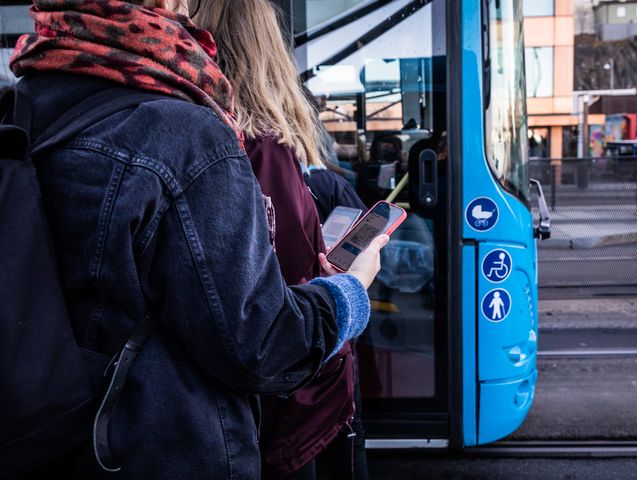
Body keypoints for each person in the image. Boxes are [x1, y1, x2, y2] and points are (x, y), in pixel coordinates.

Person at [9, 0, 387, 478]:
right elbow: (263, 346)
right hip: (160, 451)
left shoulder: (21, 108)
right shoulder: (186, 136)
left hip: (45, 441)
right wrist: (349, 294)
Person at [192, 1, 367, 478]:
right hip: (297, 410)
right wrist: (353, 284)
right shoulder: (263, 146)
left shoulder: (193, 134)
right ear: (267, 53)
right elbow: (289, 298)